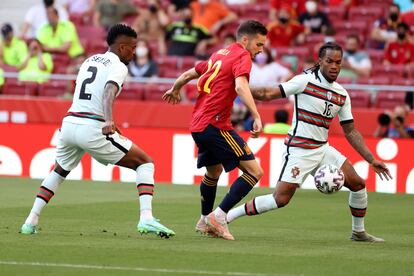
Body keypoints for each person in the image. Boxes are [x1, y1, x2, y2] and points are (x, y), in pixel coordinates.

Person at [226, 42, 392, 242]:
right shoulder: (304, 81)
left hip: (322, 149)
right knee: (280, 199)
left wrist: (371, 159)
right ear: (320, 61)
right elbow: (267, 94)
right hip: (299, 150)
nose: (334, 66)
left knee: (358, 184)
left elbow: (350, 131)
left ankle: (358, 232)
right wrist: (238, 87)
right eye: (329, 61)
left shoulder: (341, 94)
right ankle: (226, 217)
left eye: (338, 63)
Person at [20, 24, 175, 238]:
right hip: (91, 127)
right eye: (132, 47)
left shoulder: (89, 60)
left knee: (60, 170)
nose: (134, 51)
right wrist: (108, 120)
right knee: (145, 162)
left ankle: (30, 220)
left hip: (69, 124)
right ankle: (146, 217)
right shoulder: (119, 66)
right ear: (121, 47)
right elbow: (107, 92)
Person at [162, 20, 267, 240]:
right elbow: (240, 86)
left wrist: (175, 87)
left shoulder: (219, 54)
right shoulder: (242, 56)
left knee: (213, 172)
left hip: (198, 125)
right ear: (245, 40)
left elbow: (190, 73)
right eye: (258, 44)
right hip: (216, 125)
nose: (260, 50)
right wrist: (256, 115)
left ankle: (203, 220)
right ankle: (218, 217)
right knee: (254, 172)